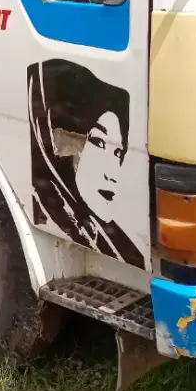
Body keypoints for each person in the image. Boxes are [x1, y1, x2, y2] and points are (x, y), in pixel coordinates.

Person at [28, 59, 146, 270]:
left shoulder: (125, 246)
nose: (113, 174)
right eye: (99, 143)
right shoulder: (48, 207)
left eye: (119, 152)